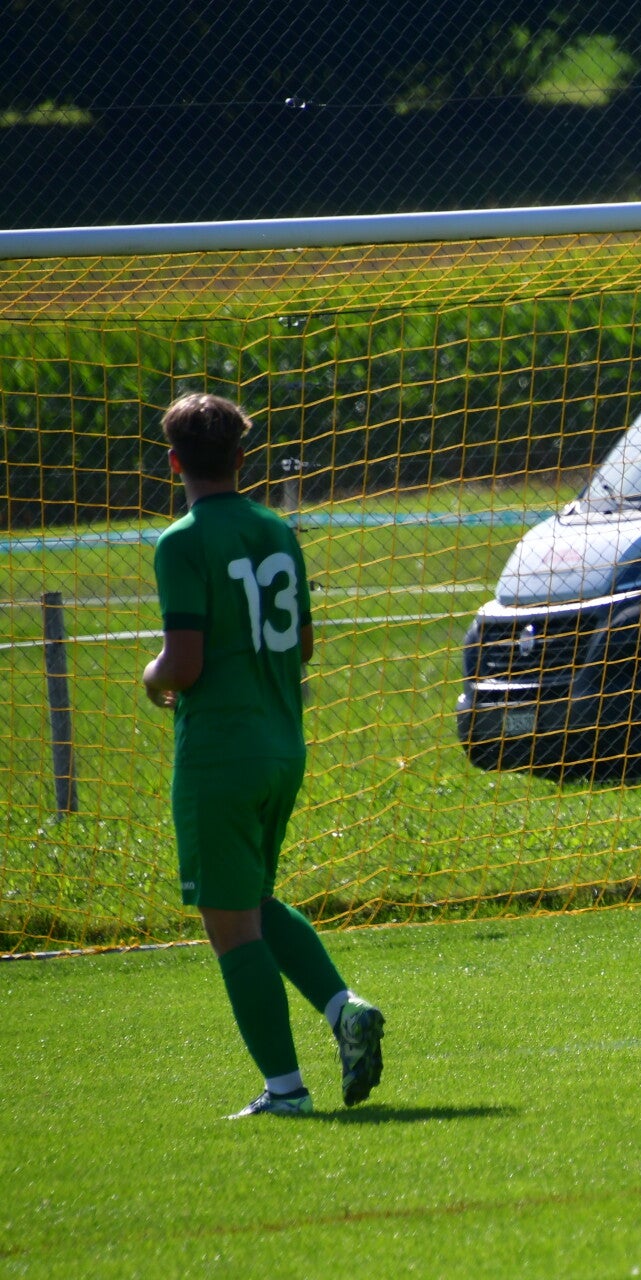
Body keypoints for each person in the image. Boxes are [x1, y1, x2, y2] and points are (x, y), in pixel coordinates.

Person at [141, 393, 384, 1118]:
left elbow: (183, 664)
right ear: (242, 459)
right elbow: (302, 644)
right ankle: (343, 1009)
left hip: (220, 753)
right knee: (251, 902)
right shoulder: (277, 529)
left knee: (229, 923)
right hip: (283, 745)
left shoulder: (181, 541)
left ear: (174, 462)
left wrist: (150, 677)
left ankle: (286, 1091)